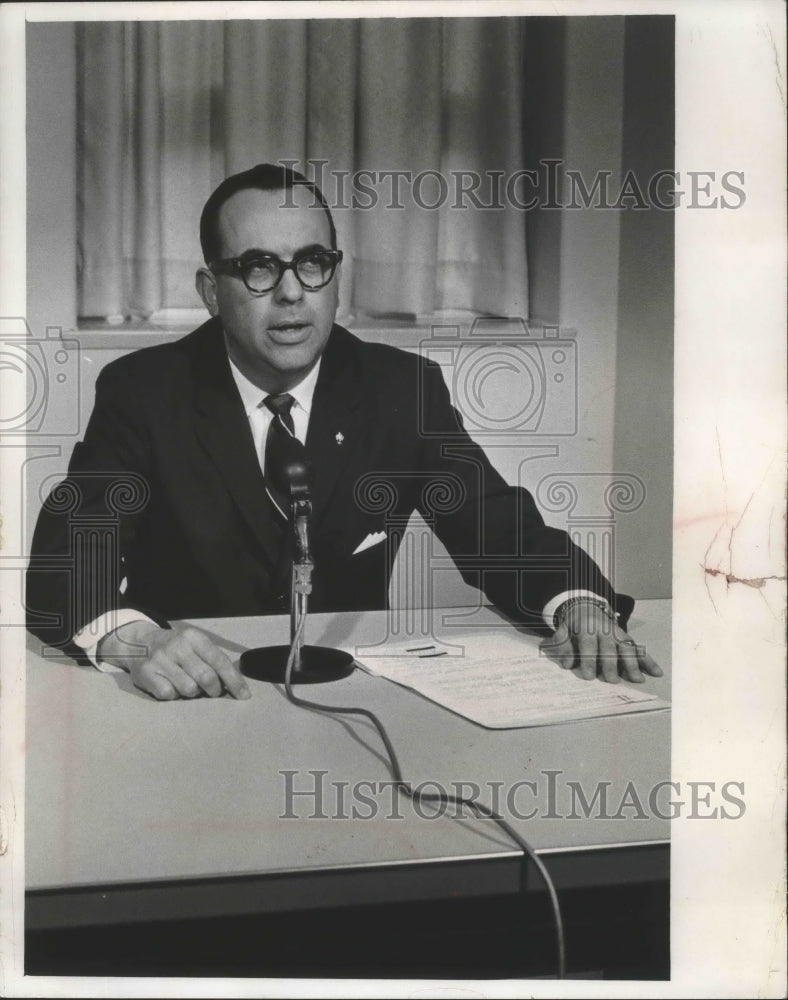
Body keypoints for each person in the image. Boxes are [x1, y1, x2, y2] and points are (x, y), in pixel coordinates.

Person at [26, 163, 661, 700]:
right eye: (257, 268)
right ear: (210, 291)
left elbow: (500, 531)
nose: (292, 293)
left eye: (312, 263)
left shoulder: (400, 390)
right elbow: (65, 566)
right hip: (196, 697)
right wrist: (135, 640)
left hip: (350, 695)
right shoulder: (144, 391)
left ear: (335, 273)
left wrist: (579, 604)